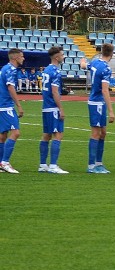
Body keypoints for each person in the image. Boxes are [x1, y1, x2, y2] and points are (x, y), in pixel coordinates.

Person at [39, 46, 69, 174]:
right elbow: (55, 91)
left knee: (46, 135)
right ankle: (53, 165)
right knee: (58, 135)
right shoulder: (55, 72)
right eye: (62, 55)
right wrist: (60, 108)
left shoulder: (46, 70)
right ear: (57, 57)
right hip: (53, 107)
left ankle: (42, 164)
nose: (63, 56)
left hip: (46, 107)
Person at [87, 43, 115, 174]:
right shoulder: (106, 69)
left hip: (98, 103)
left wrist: (82, 63)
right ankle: (91, 165)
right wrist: (111, 110)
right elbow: (105, 90)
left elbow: (85, 66)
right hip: (97, 103)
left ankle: (99, 163)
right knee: (96, 133)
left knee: (103, 133)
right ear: (112, 53)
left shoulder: (94, 62)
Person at [0, 48, 25, 174]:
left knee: (3, 135)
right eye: (21, 56)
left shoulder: (5, 68)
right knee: (15, 133)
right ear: (15, 58)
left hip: (2, 105)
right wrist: (19, 105)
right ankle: (5, 162)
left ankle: (0, 163)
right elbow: (10, 87)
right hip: (6, 106)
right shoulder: (10, 69)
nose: (23, 58)